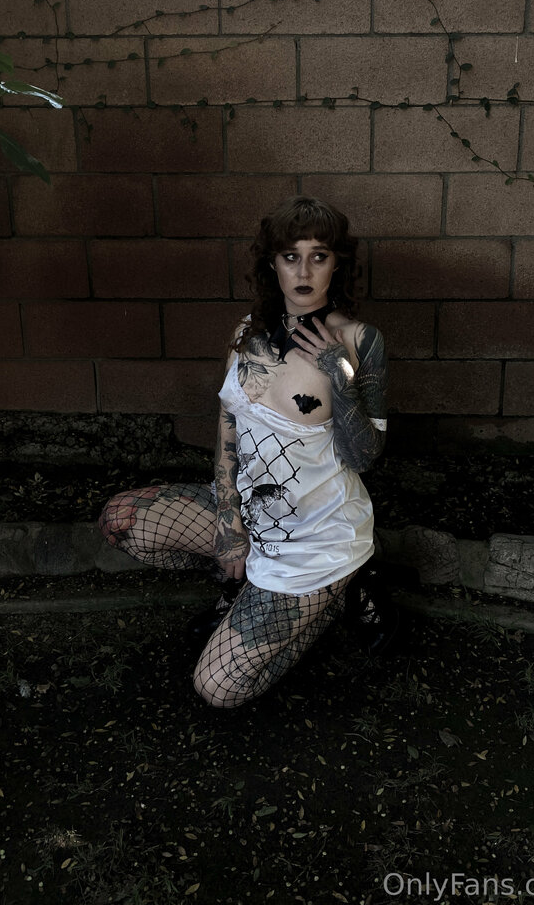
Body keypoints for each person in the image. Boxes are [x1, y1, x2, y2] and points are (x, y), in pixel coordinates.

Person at [98, 195, 393, 709]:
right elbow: (228, 425)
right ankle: (248, 589)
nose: (304, 271)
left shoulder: (359, 340)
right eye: (290, 256)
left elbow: (366, 456)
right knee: (121, 522)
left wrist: (338, 376)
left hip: (316, 540)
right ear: (272, 264)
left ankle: (339, 593)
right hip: (252, 514)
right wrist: (229, 522)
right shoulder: (246, 331)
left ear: (337, 264)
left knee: (217, 688)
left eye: (318, 256)